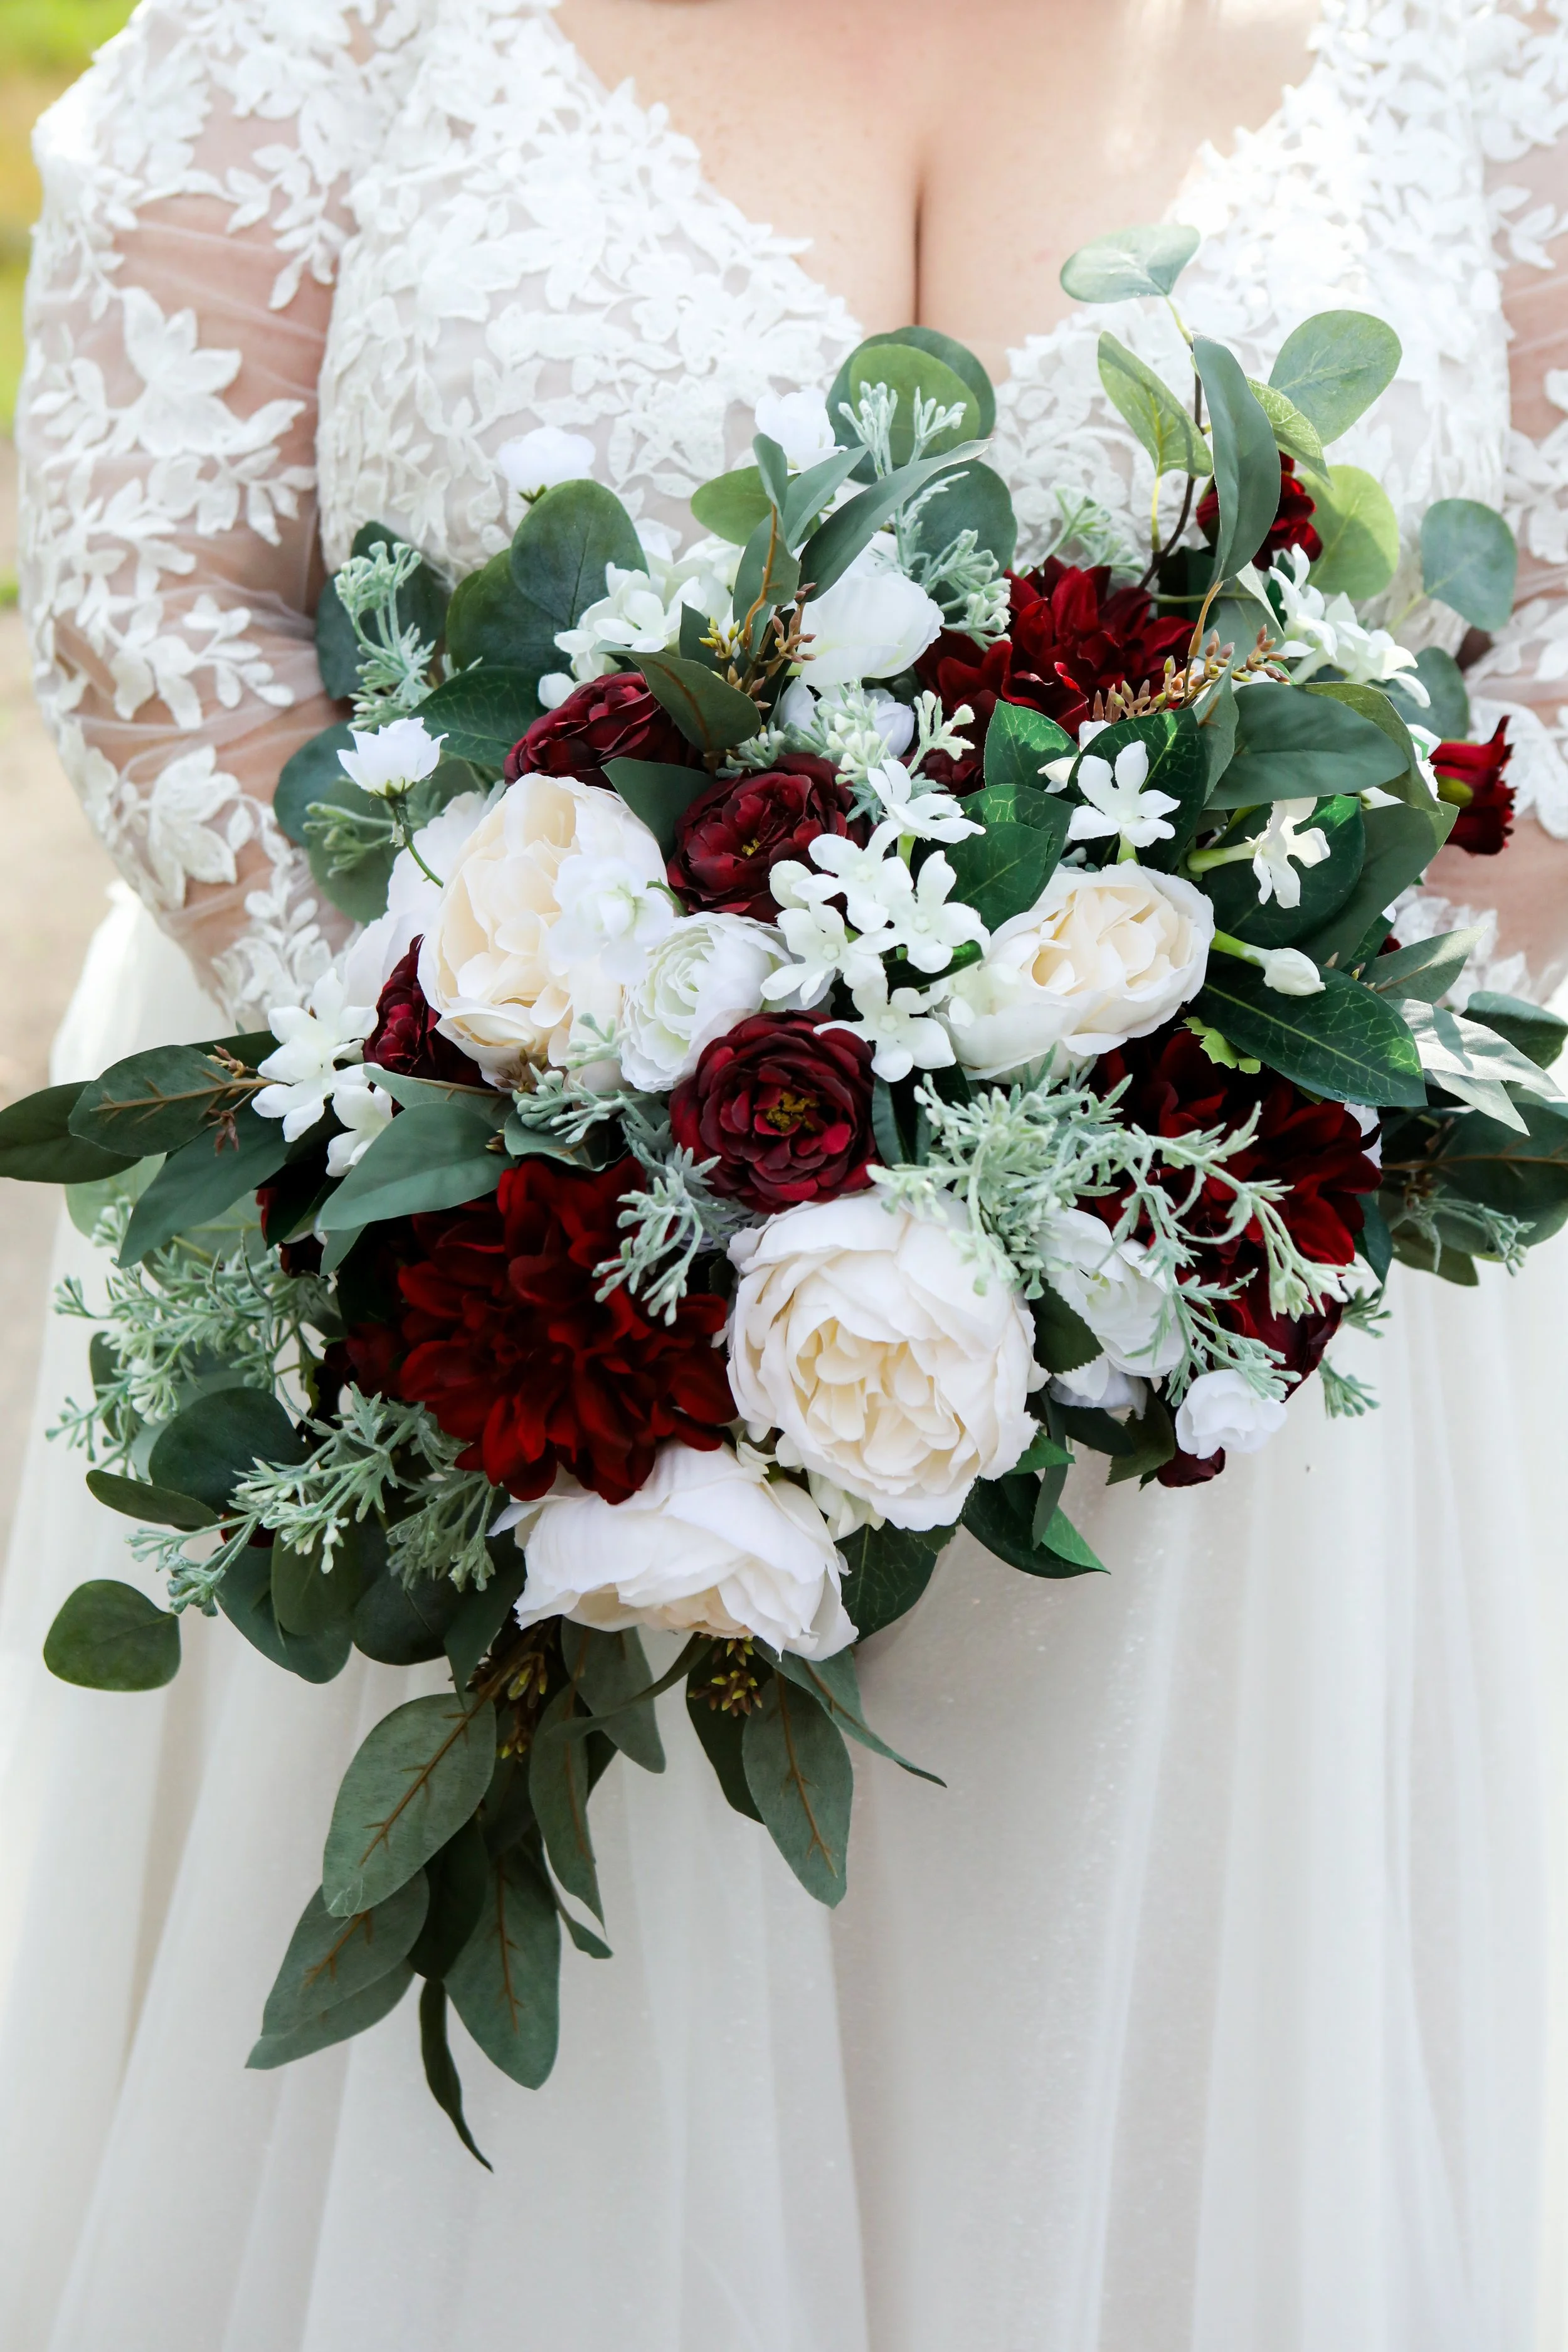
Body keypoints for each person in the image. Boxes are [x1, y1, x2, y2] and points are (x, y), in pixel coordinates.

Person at [4, 1, 1568, 2344]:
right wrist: (547, 1135)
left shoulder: (1483, 42)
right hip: (478, 1333)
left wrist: (1149, 1109)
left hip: (1240, 1374)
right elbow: (158, 600)